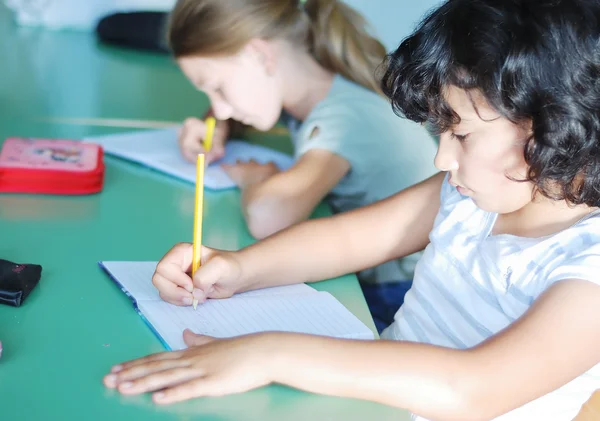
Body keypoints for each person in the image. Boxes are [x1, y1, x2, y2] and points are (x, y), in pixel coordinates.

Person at [104, 0, 600, 419]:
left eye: (462, 135)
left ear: (555, 123)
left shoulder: (589, 266)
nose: (441, 157)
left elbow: (469, 387)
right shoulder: (470, 195)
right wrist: (235, 268)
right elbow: (349, 239)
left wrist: (272, 352)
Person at [168, 0, 437, 297]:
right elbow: (229, 111)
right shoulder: (309, 89)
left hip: (400, 291)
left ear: (258, 55)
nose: (219, 107)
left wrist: (255, 179)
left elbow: (268, 217)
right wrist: (216, 127)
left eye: (218, 88)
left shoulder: (342, 119)